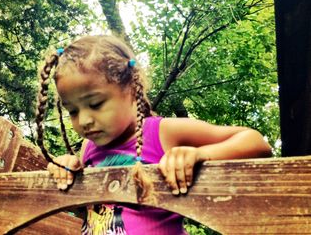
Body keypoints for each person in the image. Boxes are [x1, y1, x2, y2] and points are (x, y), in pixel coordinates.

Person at [35, 35, 272, 235]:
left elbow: (255, 142)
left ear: (130, 90)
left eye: (95, 104)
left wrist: (199, 154)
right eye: (73, 111)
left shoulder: (161, 132)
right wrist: (67, 168)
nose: (84, 120)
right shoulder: (88, 148)